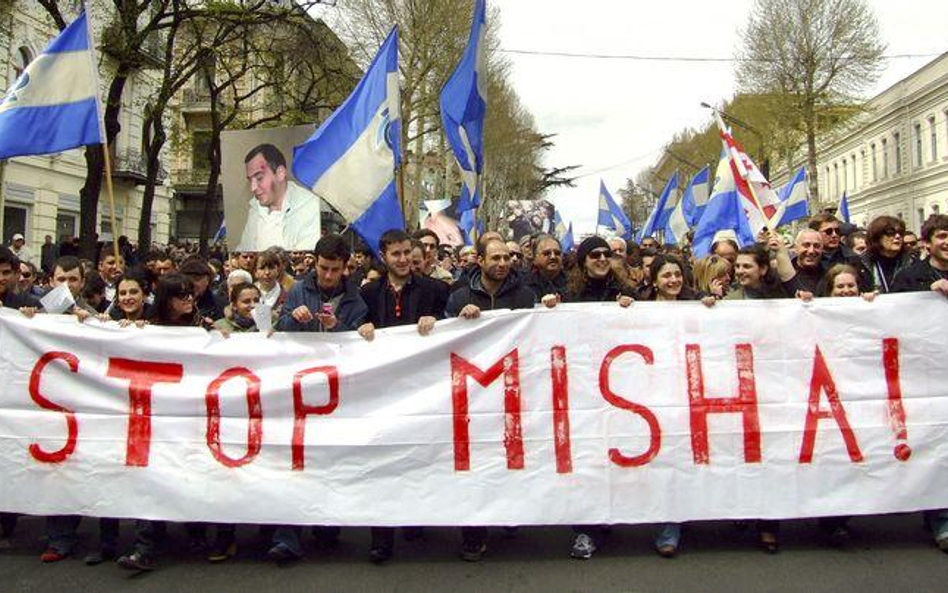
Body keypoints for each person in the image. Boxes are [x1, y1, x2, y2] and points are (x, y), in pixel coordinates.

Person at [269, 235, 367, 563]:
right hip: (301, 389)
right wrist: (291, 319)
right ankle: (288, 537)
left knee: (328, 461)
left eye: (334, 270)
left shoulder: (357, 296)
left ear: (345, 267)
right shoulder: (298, 290)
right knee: (294, 462)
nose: (327, 276)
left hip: (338, 393)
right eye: (323, 268)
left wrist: (337, 326)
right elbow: (279, 331)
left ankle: (326, 523)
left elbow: (361, 341)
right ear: (315, 262)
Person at [357, 229, 447, 563]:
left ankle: (414, 519)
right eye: (396, 254)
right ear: (383, 257)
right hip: (381, 394)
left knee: (417, 459)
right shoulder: (367, 293)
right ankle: (381, 538)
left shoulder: (435, 291)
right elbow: (354, 326)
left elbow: (455, 328)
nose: (404, 259)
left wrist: (437, 320)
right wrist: (362, 328)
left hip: (423, 391)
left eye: (408, 252)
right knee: (382, 463)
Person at [443, 237, 535, 562]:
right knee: (475, 461)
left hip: (511, 389)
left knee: (508, 454)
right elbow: (443, 342)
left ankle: (508, 512)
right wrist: (457, 322)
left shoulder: (525, 296)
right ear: (479, 260)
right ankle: (474, 532)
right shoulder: (459, 297)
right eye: (494, 257)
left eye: (506, 258)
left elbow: (536, 337)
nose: (502, 263)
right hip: (472, 393)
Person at [237, 143, 322, 251]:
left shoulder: (310, 206)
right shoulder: (255, 208)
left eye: (259, 178)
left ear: (280, 173)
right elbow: (244, 248)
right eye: (250, 180)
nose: (252, 188)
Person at [862, 215, 914, 293]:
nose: (897, 236)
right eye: (891, 233)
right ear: (877, 236)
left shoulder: (912, 262)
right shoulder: (862, 263)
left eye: (900, 233)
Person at [524, 234, 568, 304]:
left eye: (557, 253)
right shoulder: (523, 285)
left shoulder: (573, 283)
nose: (553, 257)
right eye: (547, 253)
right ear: (535, 259)